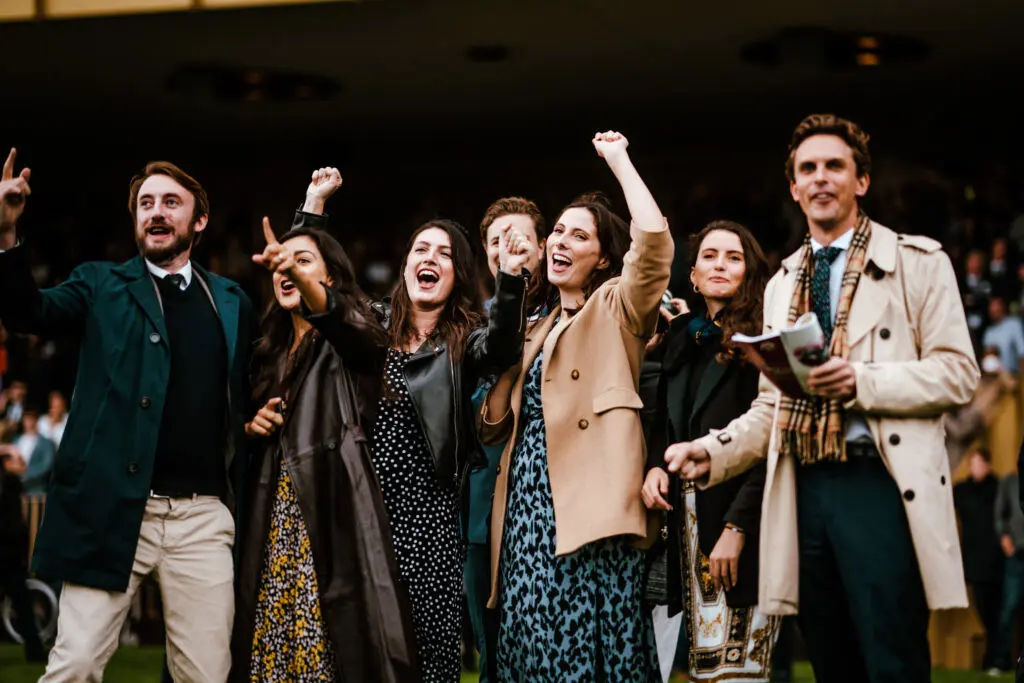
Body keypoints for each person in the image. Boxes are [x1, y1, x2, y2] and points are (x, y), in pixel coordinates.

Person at [666, 114, 978, 683]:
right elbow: (771, 407)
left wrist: (860, 381)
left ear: (861, 181)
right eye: (808, 169)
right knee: (831, 662)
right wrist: (712, 450)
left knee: (892, 661)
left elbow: (958, 375)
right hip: (799, 488)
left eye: (835, 165)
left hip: (879, 479)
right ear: (794, 188)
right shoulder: (782, 282)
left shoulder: (920, 262)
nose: (821, 177)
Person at [0, 148, 256, 682]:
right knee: (74, 666)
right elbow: (27, 311)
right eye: (145, 203)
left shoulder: (231, 301)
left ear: (199, 220)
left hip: (203, 518)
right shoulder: (99, 285)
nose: (156, 211)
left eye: (170, 202)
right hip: (111, 510)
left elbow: (252, 389)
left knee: (208, 676)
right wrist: (5, 232)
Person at [299, 177, 531, 682]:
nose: (430, 258)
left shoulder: (465, 339)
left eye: (444, 254)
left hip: (430, 525)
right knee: (357, 656)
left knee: (428, 661)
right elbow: (317, 295)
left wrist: (511, 280)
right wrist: (312, 210)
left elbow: (502, 346)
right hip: (362, 514)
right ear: (405, 265)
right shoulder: (370, 324)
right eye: (421, 249)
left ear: (457, 274)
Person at [480, 131, 673, 681]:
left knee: (590, 655)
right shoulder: (535, 326)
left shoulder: (617, 308)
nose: (561, 242)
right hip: (527, 515)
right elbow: (492, 425)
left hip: (589, 515)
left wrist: (620, 161)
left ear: (604, 256)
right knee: (532, 653)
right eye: (558, 232)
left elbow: (653, 246)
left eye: (579, 235)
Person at [231, 167, 419, 683]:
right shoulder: (268, 353)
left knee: (325, 659)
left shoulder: (353, 336)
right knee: (269, 659)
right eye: (281, 264)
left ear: (330, 279)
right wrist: (251, 427)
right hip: (271, 527)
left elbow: (337, 317)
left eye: (303, 263)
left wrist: (310, 215)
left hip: (331, 526)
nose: (286, 270)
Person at [642, 220, 779, 681]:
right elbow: (663, 421)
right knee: (705, 669)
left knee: (739, 670)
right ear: (693, 275)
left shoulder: (764, 339)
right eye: (710, 256)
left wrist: (738, 528)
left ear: (750, 272)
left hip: (743, 518)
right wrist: (655, 467)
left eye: (733, 257)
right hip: (687, 526)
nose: (720, 265)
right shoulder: (683, 337)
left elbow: (772, 438)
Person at [468, 196, 547, 683]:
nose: (508, 247)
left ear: (544, 247)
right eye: (497, 241)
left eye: (519, 238)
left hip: (548, 512)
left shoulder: (572, 315)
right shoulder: (470, 325)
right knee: (493, 655)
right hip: (482, 513)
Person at [952, 449, 1003, 672]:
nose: (976, 468)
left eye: (980, 463)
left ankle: (995, 659)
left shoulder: (999, 488)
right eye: (973, 463)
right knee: (984, 608)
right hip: (973, 558)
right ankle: (994, 657)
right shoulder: (961, 491)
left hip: (998, 559)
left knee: (999, 611)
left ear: (988, 465)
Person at [0, 421, 46, 663]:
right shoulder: (11, 482)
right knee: (22, 601)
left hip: (8, 549)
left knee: (22, 600)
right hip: (10, 549)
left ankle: (35, 650)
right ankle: (35, 651)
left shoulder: (10, 481)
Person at [993, 463, 1024, 673]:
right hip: (1017, 555)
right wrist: (1005, 538)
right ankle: (999, 661)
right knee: (1009, 608)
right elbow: (1000, 513)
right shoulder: (1010, 482)